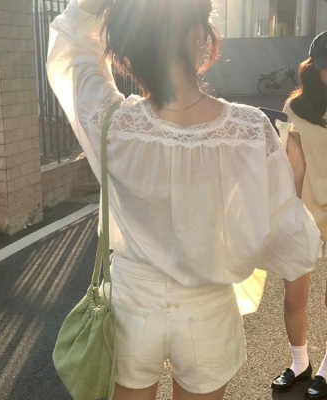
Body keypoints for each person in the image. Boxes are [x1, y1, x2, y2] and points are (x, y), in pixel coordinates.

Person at [47, 0, 320, 398]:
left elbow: (70, 49)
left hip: (130, 307)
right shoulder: (248, 130)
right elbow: (286, 236)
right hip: (208, 312)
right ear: (201, 36)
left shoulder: (114, 123)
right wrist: (292, 180)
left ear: (127, 51)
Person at [271, 31, 327, 399]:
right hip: (303, 213)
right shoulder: (295, 109)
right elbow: (285, 163)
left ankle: (326, 370)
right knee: (294, 298)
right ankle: (300, 363)